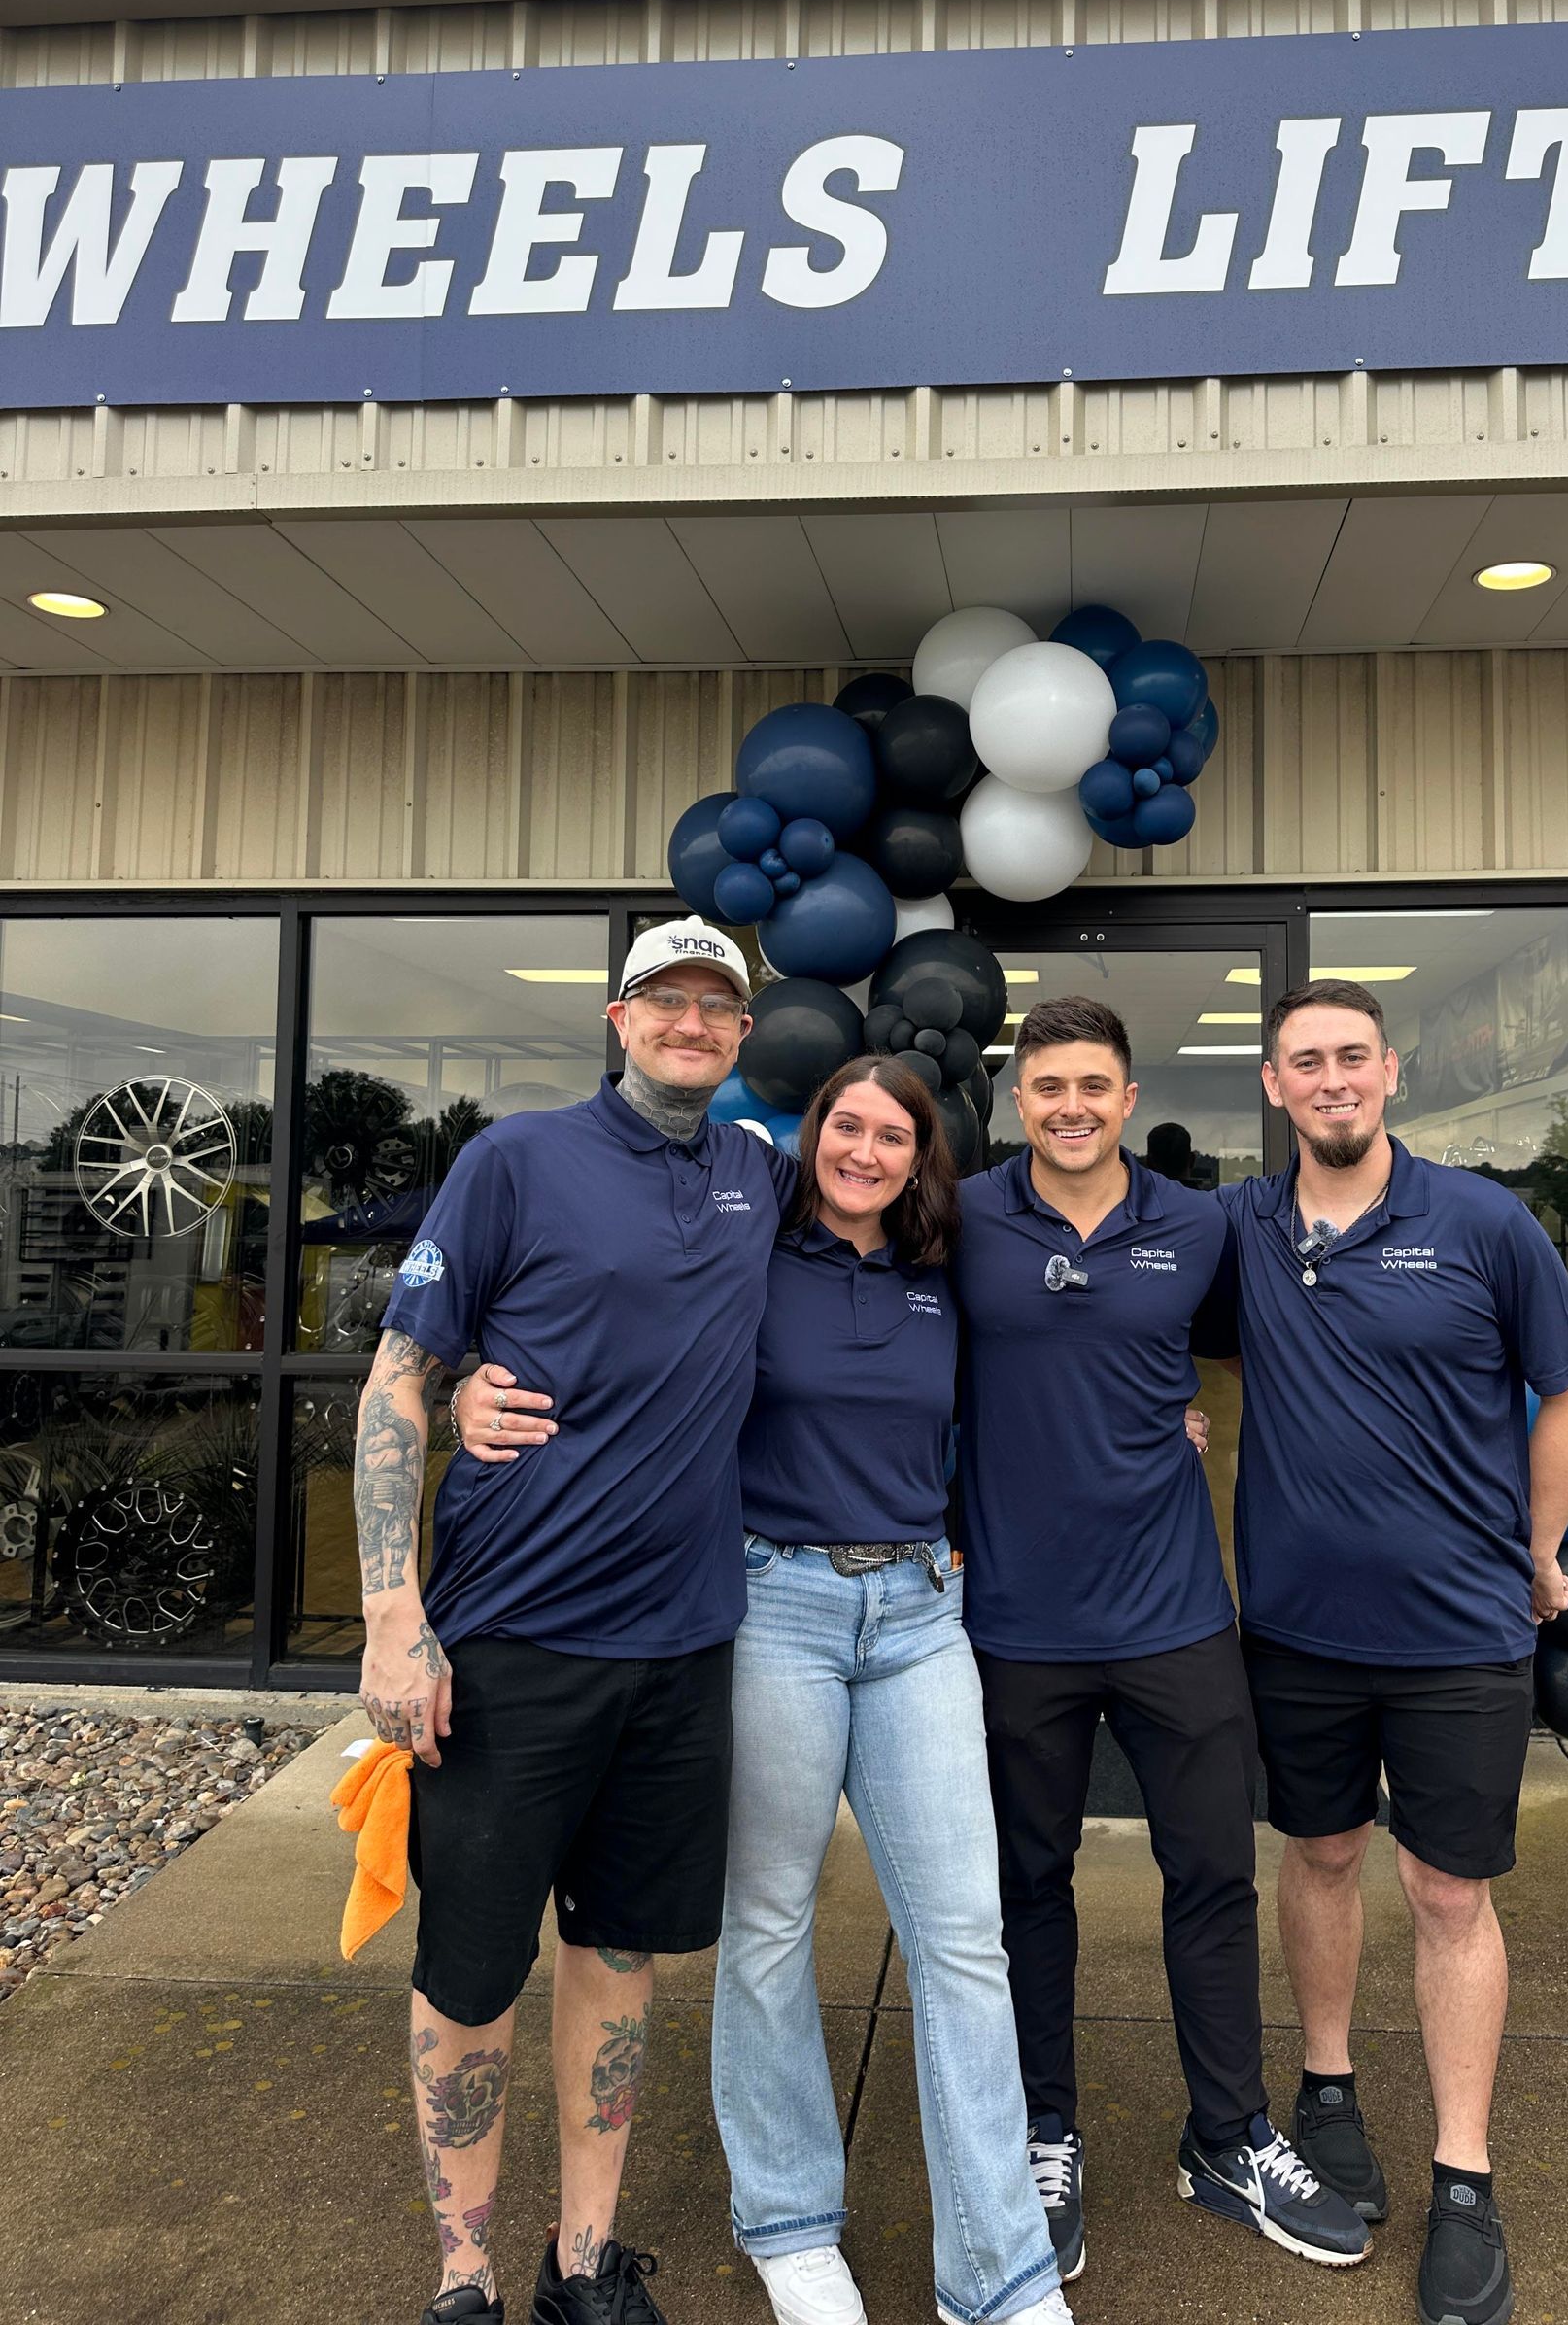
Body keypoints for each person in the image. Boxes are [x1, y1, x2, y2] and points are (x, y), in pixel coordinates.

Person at [455, 1054, 1071, 2325]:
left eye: (892, 1134)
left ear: (921, 1156)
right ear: (807, 1137)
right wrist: (466, 1380)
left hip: (915, 1612)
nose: (864, 1150)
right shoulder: (747, 1251)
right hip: (774, 1605)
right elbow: (599, 1318)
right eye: (844, 1125)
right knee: (772, 1926)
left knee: (963, 1934)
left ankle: (998, 2274)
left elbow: (1063, 1352)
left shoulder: (944, 1275)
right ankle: (790, 2225)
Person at [352, 918, 789, 2325]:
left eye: (717, 1005)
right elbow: (397, 1384)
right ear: (617, 1016)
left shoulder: (758, 1176)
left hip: (679, 1653)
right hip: (513, 1653)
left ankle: (582, 2265)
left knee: (617, 1959)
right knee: (471, 1976)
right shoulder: (514, 1162)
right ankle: (465, 2277)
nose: (692, 1021)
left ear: (739, 1034)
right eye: (666, 998)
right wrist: (388, 1615)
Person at [951, 995, 1369, 2285]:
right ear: (1019, 1102)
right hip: (1014, 1620)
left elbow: (1318, 1336)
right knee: (1025, 1890)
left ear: (1129, 1098)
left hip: (1177, 1613)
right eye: (1046, 1086)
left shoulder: (1201, 1224)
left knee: (1212, 1878)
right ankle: (1040, 2130)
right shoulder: (958, 1217)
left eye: (1094, 1084)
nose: (1070, 1105)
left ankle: (1229, 2134)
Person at [1212, 978, 1568, 2325]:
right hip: (1297, 1631)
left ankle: (1464, 2176)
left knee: (1448, 1894)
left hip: (1456, 1635)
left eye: (1351, 1058)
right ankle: (1326, 2094)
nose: (1329, 1081)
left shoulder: (1486, 1225)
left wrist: (1542, 1549)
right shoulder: (1240, 1229)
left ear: (1390, 1074)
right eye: (1304, 1063)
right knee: (1318, 1854)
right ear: (1273, 1088)